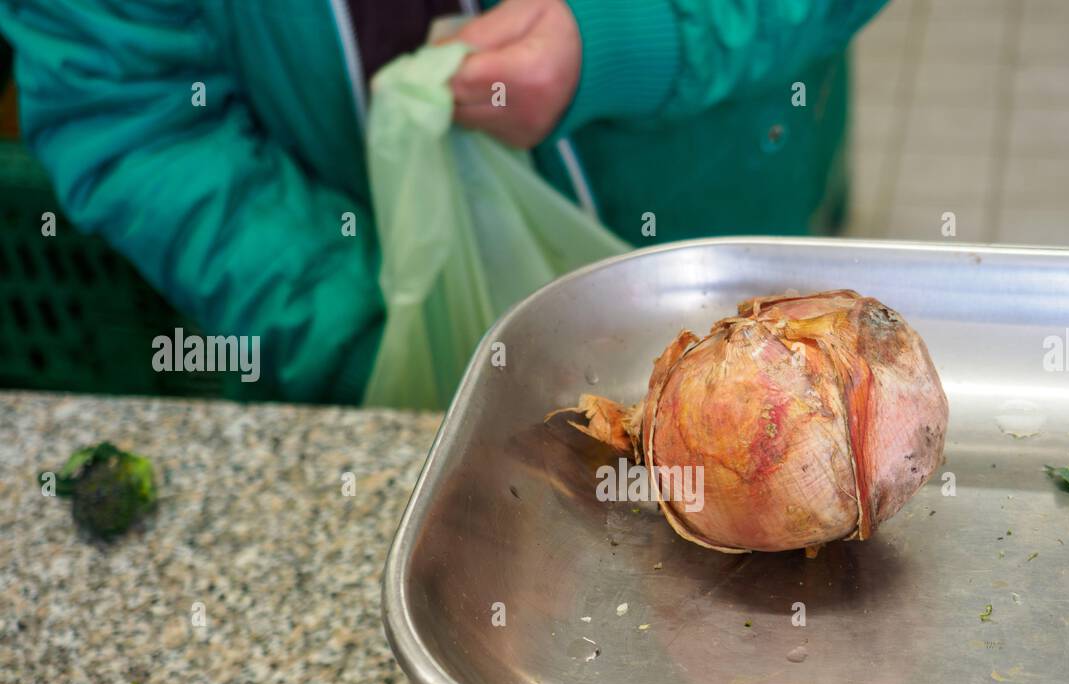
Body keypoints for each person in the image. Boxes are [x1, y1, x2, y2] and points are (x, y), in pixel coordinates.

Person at [0, 0, 889, 403]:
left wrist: (637, 37)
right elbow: (132, 108)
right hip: (367, 313)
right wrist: (375, 336)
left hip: (716, 225)